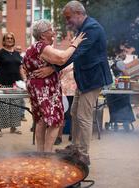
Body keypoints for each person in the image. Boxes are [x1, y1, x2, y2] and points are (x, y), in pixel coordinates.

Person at [34, 1, 112, 163]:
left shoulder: (92, 29)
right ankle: (75, 148)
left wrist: (53, 69)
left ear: (78, 13)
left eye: (68, 17)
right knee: (75, 113)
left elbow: (75, 54)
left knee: (83, 116)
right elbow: (73, 53)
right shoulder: (82, 29)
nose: (67, 21)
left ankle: (82, 154)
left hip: (93, 79)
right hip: (84, 79)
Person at [22, 19, 85, 152]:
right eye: (51, 30)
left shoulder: (31, 48)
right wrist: (74, 44)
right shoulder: (42, 47)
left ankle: (40, 153)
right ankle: (47, 153)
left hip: (35, 87)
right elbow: (62, 58)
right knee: (56, 120)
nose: (54, 33)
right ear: (42, 35)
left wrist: (52, 70)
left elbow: (28, 67)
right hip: (45, 88)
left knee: (41, 120)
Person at [0, 32, 26, 137]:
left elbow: (20, 69)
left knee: (15, 106)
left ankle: (14, 127)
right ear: (4, 41)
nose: (9, 40)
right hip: (2, 84)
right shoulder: (0, 53)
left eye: (11, 38)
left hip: (16, 85)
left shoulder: (17, 54)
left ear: (13, 40)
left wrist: (25, 80)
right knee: (2, 106)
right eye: (7, 38)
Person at [54, 64, 77, 145]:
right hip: (63, 90)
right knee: (62, 113)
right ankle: (59, 136)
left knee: (74, 113)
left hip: (75, 90)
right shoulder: (62, 59)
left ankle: (72, 134)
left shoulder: (77, 58)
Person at [15, 45, 27, 121]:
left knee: (22, 100)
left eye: (20, 49)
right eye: (17, 49)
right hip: (14, 82)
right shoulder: (13, 58)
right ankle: (15, 116)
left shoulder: (23, 59)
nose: (19, 50)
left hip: (21, 82)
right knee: (15, 100)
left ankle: (22, 115)